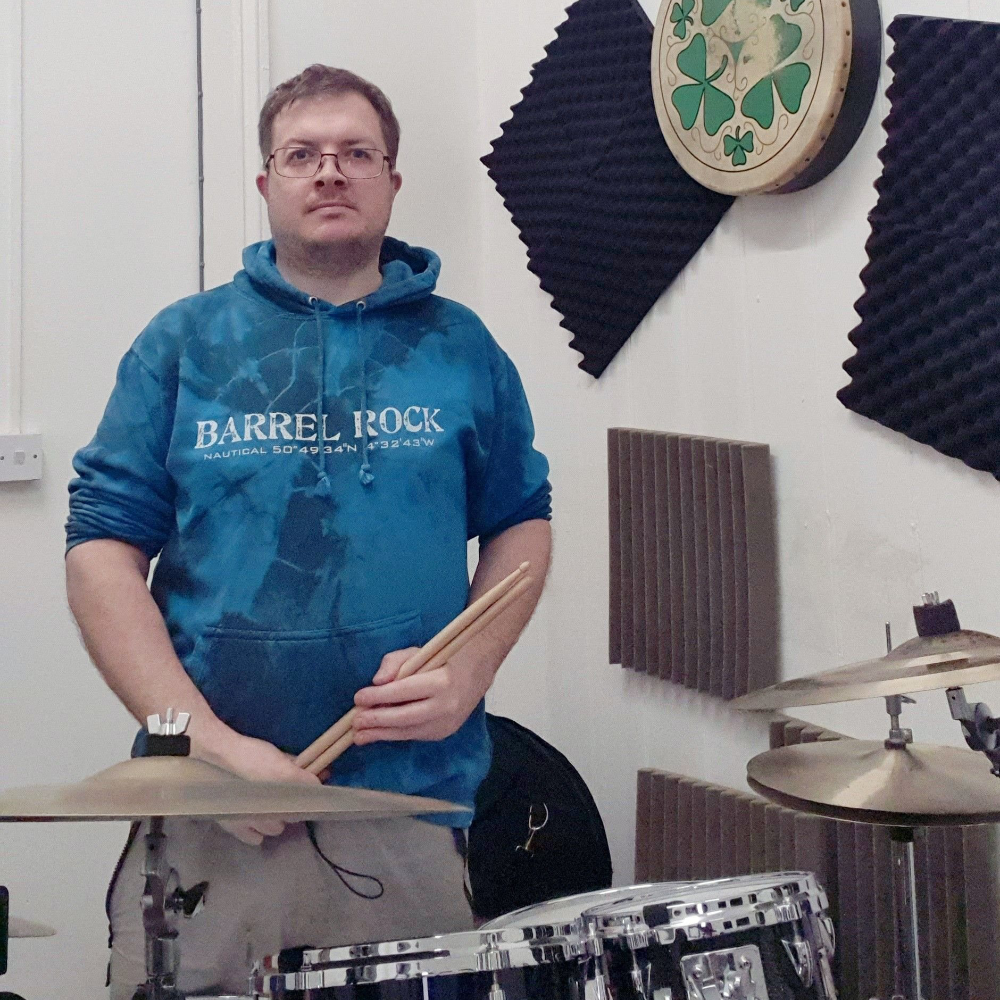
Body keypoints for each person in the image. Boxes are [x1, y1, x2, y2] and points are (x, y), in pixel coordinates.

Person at [65, 64, 552, 998]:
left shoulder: (462, 348)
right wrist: (204, 740)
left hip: (408, 800)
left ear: (392, 180)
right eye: (303, 155)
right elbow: (100, 552)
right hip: (210, 805)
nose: (330, 172)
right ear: (266, 185)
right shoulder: (182, 343)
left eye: (355, 153)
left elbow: (522, 527)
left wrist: (469, 675)